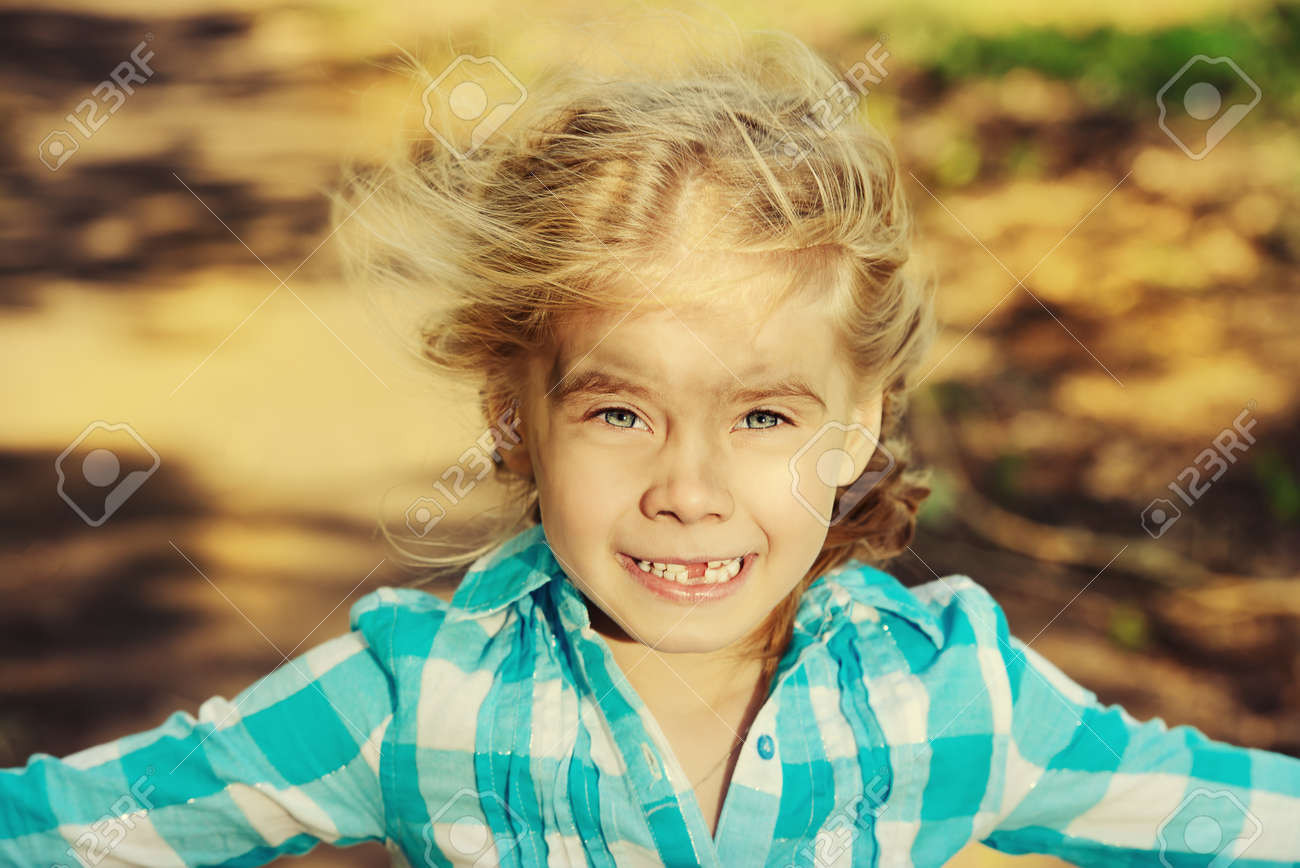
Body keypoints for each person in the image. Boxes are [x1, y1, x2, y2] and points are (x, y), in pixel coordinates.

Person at [3, 23, 1298, 868]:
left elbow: (1242, 819)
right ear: (511, 414)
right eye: (620, 412)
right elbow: (80, 827)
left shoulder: (955, 701)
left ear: (861, 425)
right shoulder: (418, 700)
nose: (689, 490)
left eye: (765, 417)